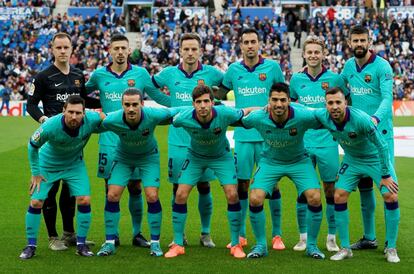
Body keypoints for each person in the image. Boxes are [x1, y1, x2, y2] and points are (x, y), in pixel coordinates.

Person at [86, 34, 170, 248]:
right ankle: (111, 236)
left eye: (124, 48)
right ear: (110, 50)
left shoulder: (140, 74)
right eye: (116, 48)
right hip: (109, 139)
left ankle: (136, 233)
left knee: (135, 187)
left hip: (135, 139)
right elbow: (81, 93)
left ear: (128, 49)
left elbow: (158, 96)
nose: (120, 52)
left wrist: (186, 103)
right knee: (110, 189)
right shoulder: (98, 75)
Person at [26, 32, 101, 251]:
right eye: (58, 47)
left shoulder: (78, 74)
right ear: (52, 49)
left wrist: (107, 101)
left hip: (73, 143)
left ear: (71, 49)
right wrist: (43, 119)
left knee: (70, 193)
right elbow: (31, 104)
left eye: (66, 47)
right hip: (52, 141)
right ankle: (52, 237)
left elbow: (84, 100)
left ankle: (70, 233)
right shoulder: (43, 76)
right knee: (50, 192)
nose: (62, 51)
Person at [164, 85, 255, 259]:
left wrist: (267, 107)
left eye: (206, 101)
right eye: (199, 102)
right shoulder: (183, 117)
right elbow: (166, 117)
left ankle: (236, 244)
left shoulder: (225, 113)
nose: (203, 105)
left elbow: (247, 111)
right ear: (193, 104)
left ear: (212, 102)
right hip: (195, 157)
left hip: (221, 157)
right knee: (180, 194)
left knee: (232, 195)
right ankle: (177, 243)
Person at [151, 33, 223, 248]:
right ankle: (179, 234)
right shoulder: (170, 73)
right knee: (178, 189)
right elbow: (149, 87)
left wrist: (215, 104)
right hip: (178, 141)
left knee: (204, 187)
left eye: (194, 49)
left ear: (200, 51)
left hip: (204, 142)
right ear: (180, 51)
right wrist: (170, 104)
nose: (190, 53)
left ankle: (205, 233)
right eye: (186, 49)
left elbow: (228, 86)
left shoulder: (211, 73)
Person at [314, 87, 400, 263]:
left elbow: (382, 146)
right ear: (326, 105)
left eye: (338, 102)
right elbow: (302, 112)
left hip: (374, 159)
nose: (335, 106)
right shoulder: (323, 116)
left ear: (346, 103)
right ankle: (345, 248)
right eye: (330, 103)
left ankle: (391, 247)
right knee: (338, 195)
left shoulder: (361, 119)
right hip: (352, 160)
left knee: (390, 195)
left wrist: (385, 174)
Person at [241, 83, 325, 259]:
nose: (278, 104)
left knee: (315, 197)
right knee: (255, 197)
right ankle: (260, 245)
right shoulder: (258, 116)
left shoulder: (302, 115)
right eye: (274, 100)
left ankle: (312, 246)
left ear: (289, 101)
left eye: (282, 100)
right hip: (270, 161)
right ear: (268, 101)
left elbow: (323, 116)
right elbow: (240, 119)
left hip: (299, 161)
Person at [221, 28, 285, 250]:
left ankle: (277, 235)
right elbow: (218, 93)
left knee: (273, 184)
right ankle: (240, 234)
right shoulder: (233, 70)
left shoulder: (272, 68)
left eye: (253, 42)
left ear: (259, 44)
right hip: (242, 136)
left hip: (269, 137)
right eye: (246, 42)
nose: (250, 45)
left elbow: (284, 95)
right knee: (242, 185)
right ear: (240, 45)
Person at [19, 95, 104, 259]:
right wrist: (36, 173)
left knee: (84, 199)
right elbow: (32, 145)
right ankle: (30, 246)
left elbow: (106, 118)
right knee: (36, 202)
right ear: (63, 110)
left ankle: (81, 244)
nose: (74, 116)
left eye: (78, 113)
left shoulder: (91, 118)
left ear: (84, 113)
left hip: (74, 164)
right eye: (70, 112)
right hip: (48, 164)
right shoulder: (50, 125)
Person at [96, 88, 178, 257]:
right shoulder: (113, 119)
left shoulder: (153, 114)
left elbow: (177, 110)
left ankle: (155, 243)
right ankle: (110, 242)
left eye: (135, 104)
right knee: (112, 195)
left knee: (152, 196)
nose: (131, 108)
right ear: (122, 105)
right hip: (123, 157)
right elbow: (91, 121)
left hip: (148, 157)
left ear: (142, 104)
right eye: (127, 105)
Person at [290, 35, 348, 252]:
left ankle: (331, 237)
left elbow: (345, 105)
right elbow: (292, 109)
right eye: (310, 52)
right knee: (303, 191)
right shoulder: (296, 80)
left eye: (317, 52)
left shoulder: (335, 79)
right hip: (302, 144)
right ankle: (303, 237)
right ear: (304, 54)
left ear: (324, 54)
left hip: (328, 143)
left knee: (330, 190)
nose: (313, 56)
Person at [340, 25, 395, 251]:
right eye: (356, 40)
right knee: (363, 188)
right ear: (350, 42)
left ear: (369, 41)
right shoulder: (348, 67)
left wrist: (374, 119)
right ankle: (369, 237)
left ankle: (390, 243)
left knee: (387, 189)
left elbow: (387, 98)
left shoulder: (382, 66)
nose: (359, 44)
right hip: (358, 140)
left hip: (380, 135)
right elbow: (340, 90)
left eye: (363, 40)